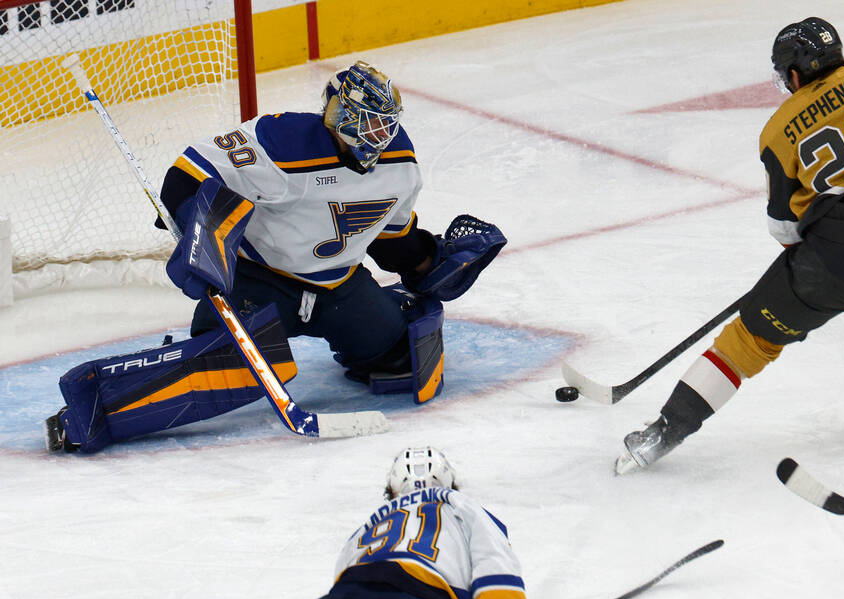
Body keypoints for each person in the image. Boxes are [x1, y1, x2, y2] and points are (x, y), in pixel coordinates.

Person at [44, 62, 505, 453]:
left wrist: (425, 262)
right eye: (368, 121)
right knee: (221, 367)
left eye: (386, 123)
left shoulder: (400, 164)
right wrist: (201, 239)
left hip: (339, 286)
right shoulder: (281, 141)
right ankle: (100, 402)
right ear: (339, 112)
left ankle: (363, 335)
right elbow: (187, 176)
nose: (378, 135)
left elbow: (390, 238)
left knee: (400, 357)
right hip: (262, 280)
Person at [615, 17, 844, 474]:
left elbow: (784, 229)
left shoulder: (778, 130)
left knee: (748, 340)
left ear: (793, 73)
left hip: (827, 269)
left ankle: (662, 433)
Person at [268, 447, 527, 599]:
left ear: (392, 490)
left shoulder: (368, 524)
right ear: (450, 483)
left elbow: (342, 575)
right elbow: (497, 573)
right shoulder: (462, 507)